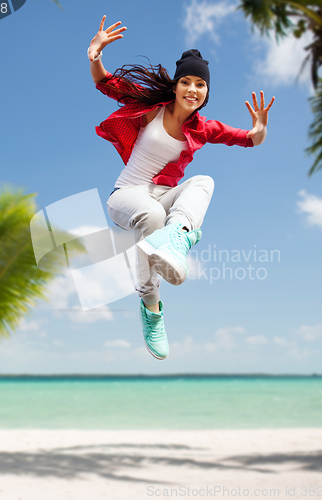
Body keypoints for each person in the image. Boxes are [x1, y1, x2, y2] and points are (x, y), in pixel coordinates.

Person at [88, 15, 274, 361]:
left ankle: (179, 236)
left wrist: (260, 128)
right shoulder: (148, 108)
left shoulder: (204, 128)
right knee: (151, 214)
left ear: (206, 93)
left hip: (163, 196)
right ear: (175, 87)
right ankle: (151, 309)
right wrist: (95, 55)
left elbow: (249, 140)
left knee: (204, 181)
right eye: (186, 82)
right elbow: (106, 83)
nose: (193, 89)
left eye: (200, 85)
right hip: (127, 195)